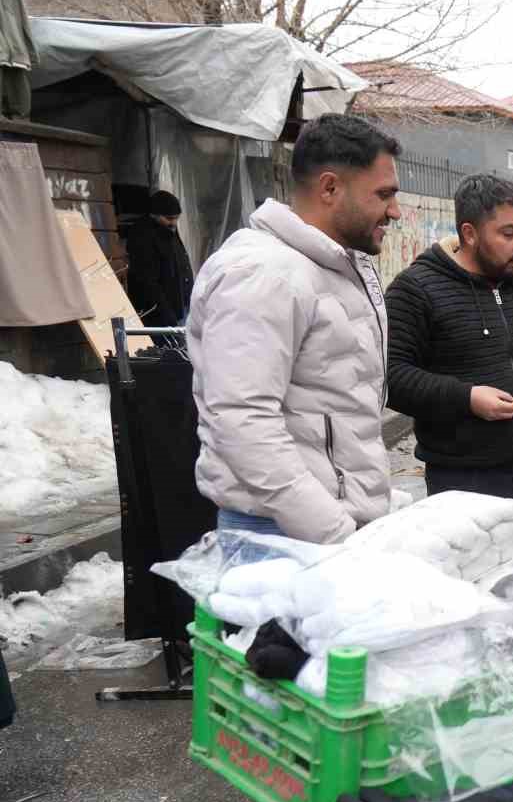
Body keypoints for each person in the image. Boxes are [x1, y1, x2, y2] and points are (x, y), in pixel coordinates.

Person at [188, 114, 401, 542]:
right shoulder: (264, 273)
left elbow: (337, 403)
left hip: (325, 529)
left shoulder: (336, 265)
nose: (394, 211)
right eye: (383, 195)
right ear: (329, 188)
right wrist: (333, 531)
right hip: (284, 538)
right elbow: (242, 419)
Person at [385, 175, 513, 549]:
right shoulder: (416, 290)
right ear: (470, 233)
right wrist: (466, 398)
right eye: (508, 233)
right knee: (477, 598)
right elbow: (392, 378)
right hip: (462, 483)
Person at [122, 189, 195, 330]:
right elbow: (148, 282)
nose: (173, 223)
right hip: (162, 315)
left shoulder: (168, 230)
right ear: (154, 215)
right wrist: (168, 316)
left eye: (176, 218)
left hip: (180, 307)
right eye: (169, 218)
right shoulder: (143, 236)